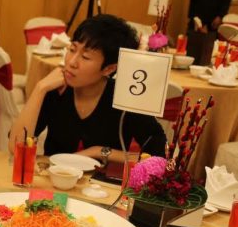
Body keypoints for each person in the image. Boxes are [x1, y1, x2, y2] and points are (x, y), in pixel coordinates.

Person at [9, 14, 166, 164]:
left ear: (109, 69)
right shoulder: (56, 89)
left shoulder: (123, 97)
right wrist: (40, 88)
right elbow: (15, 148)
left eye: (85, 57)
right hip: (53, 178)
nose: (72, 62)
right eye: (72, 49)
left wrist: (99, 151)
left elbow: (158, 156)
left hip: (101, 182)